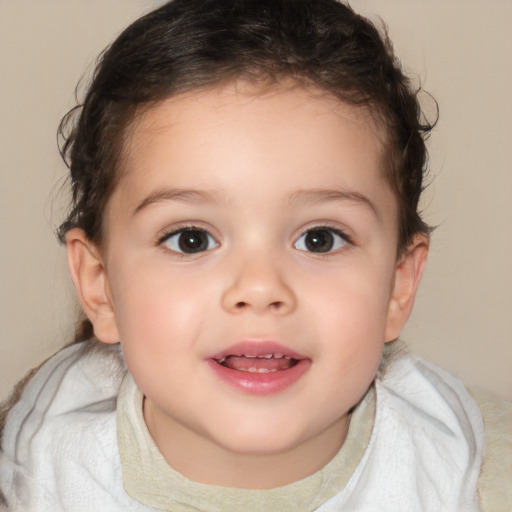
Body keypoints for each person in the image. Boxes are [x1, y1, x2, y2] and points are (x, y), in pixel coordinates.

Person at [0, 0, 510, 510]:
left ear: (399, 284)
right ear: (101, 286)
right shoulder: (39, 472)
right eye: (191, 239)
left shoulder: (469, 471)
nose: (260, 287)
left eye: (320, 238)